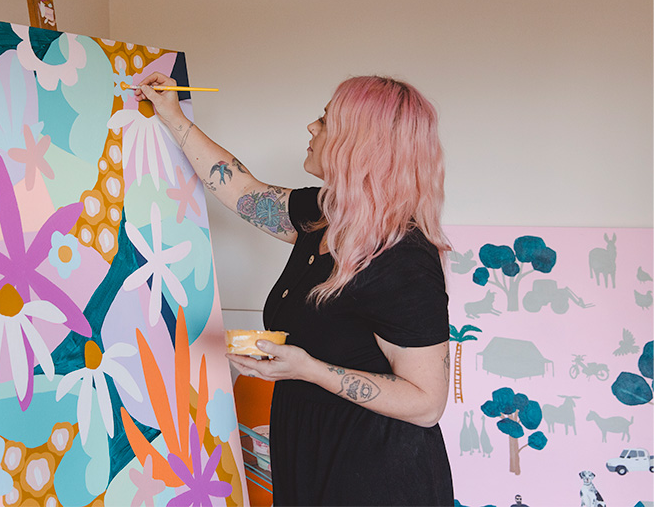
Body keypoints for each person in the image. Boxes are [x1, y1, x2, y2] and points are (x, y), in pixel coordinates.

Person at [135, 72, 454, 506]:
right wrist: (172, 115)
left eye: (324, 121)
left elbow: (426, 403)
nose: (312, 128)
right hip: (309, 449)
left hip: (376, 473)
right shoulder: (327, 215)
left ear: (358, 145)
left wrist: (308, 368)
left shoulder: (404, 256)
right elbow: (243, 192)